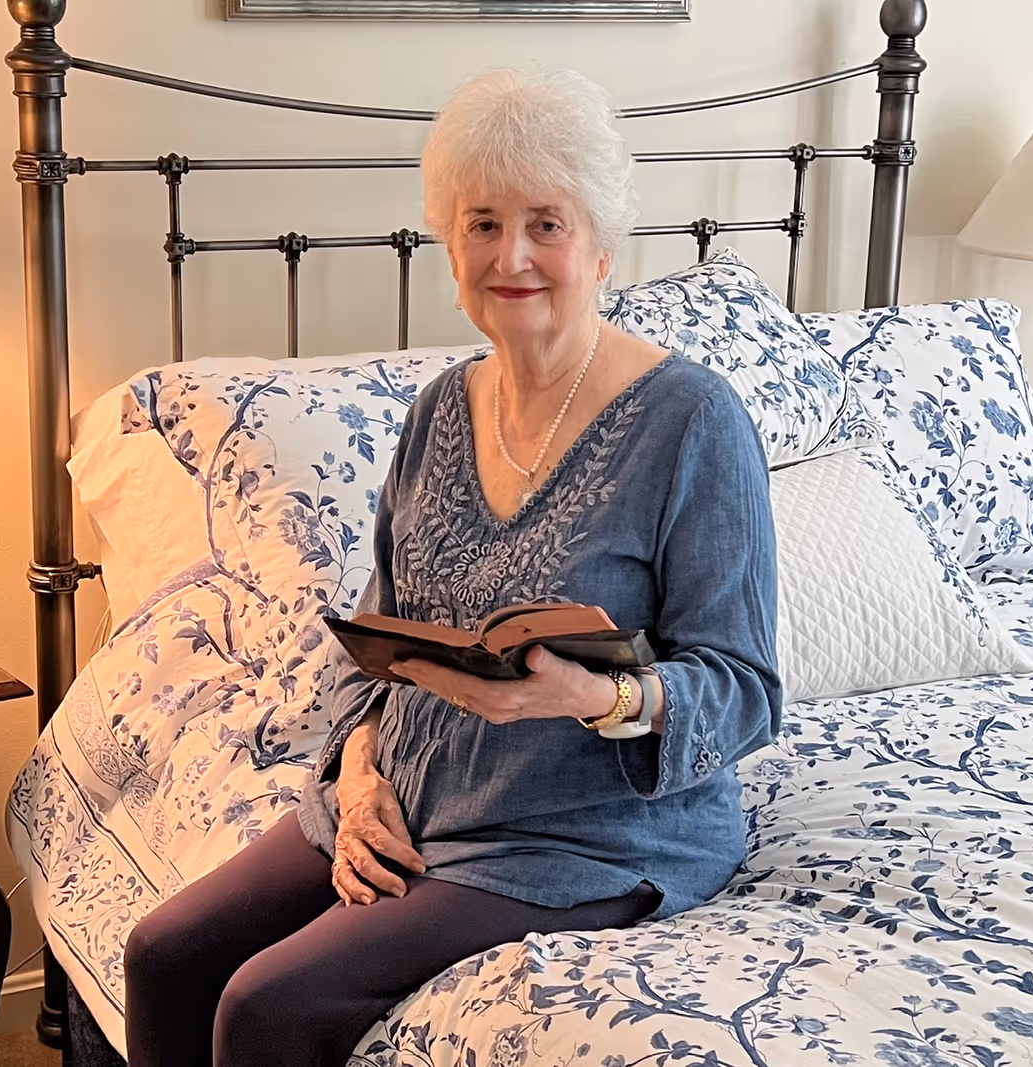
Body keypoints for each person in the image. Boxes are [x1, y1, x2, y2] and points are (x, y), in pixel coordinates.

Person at [121, 66, 782, 1067]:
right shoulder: (440, 407)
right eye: (481, 224)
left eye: (544, 224)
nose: (510, 256)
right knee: (165, 951)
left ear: (602, 244)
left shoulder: (691, 421)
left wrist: (595, 698)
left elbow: (745, 689)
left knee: (265, 1003)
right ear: (450, 242)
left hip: (578, 833)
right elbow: (380, 641)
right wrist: (355, 776)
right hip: (411, 788)